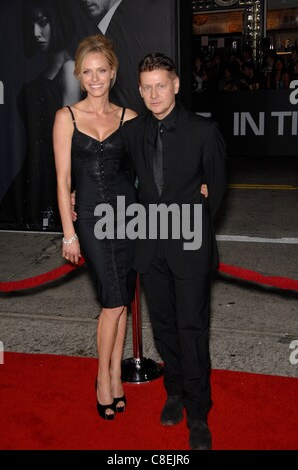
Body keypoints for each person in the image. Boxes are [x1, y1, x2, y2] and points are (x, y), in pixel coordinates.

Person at [123, 53, 227, 450]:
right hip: (150, 247)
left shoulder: (204, 131)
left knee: (193, 330)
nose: (153, 94)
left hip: (189, 245)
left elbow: (215, 191)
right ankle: (175, 392)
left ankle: (199, 412)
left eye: (160, 85)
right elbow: (121, 176)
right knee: (164, 328)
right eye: (146, 87)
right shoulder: (133, 132)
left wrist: (195, 219)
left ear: (177, 84)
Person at [53, 34, 138, 420]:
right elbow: (62, 179)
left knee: (122, 302)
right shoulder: (66, 117)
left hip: (129, 218)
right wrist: (68, 232)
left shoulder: (129, 119)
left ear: (113, 72)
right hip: (89, 219)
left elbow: (153, 173)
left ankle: (117, 375)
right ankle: (102, 378)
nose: (95, 78)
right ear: (79, 76)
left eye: (101, 70)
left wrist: (199, 183)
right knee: (113, 301)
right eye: (87, 72)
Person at [2, 0, 82, 231]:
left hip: (51, 169)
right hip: (34, 167)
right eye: (32, 24)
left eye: (43, 22)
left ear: (57, 22)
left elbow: (68, 136)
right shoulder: (43, 69)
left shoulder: (68, 69)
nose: (36, 33)